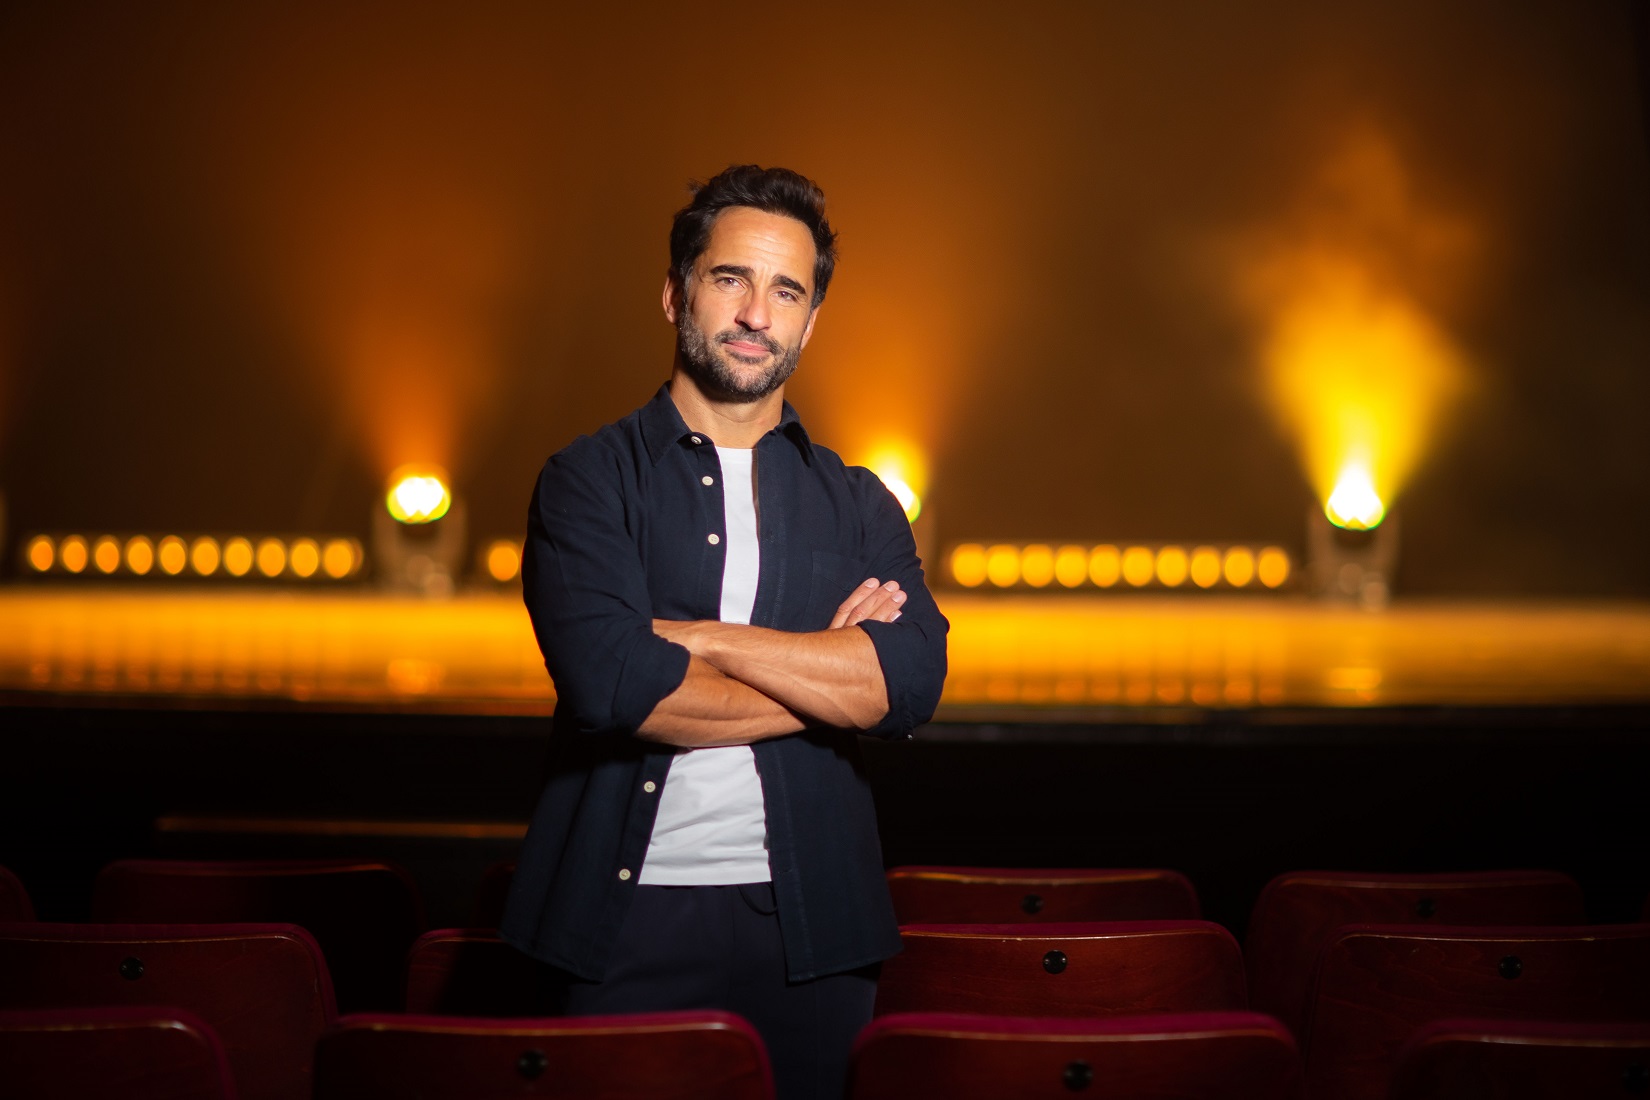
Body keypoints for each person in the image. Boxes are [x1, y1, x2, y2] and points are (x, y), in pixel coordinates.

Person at [501, 164, 949, 1098]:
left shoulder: (862, 504)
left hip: (815, 929)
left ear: (811, 319)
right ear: (676, 293)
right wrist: (831, 680)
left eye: (787, 290)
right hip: (617, 925)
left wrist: (700, 638)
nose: (757, 312)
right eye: (730, 279)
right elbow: (616, 685)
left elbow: (905, 685)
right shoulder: (586, 481)